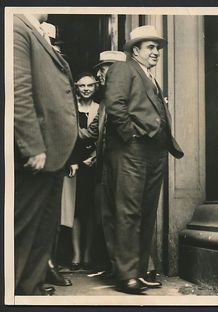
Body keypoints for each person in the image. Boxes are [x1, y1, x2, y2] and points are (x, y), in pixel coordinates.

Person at [101, 25, 184, 294]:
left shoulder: (148, 76)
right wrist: (131, 137)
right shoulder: (123, 69)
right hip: (132, 151)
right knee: (128, 211)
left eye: (158, 48)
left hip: (154, 152)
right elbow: (115, 105)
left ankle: (137, 271)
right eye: (150, 47)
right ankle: (126, 275)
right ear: (135, 50)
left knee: (146, 211)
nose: (156, 52)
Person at [14, 14, 78, 295]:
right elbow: (18, 90)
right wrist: (32, 145)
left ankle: (29, 287)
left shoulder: (31, 29)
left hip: (54, 152)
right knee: (24, 230)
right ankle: (16, 290)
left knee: (41, 228)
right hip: (39, 150)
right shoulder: (16, 25)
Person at [78, 51, 126, 273]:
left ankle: (135, 269)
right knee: (105, 216)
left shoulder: (126, 96)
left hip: (124, 167)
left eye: (105, 68)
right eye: (100, 68)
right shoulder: (105, 101)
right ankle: (115, 266)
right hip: (105, 170)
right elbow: (91, 133)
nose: (100, 73)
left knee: (125, 215)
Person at [67, 73, 99, 270]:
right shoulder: (71, 109)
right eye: (82, 85)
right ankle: (76, 255)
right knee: (75, 212)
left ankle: (88, 255)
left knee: (92, 211)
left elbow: (103, 136)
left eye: (90, 85)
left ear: (95, 87)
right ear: (76, 88)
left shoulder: (100, 108)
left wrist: (94, 157)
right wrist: (73, 161)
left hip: (94, 164)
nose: (86, 88)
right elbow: (67, 136)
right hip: (73, 166)